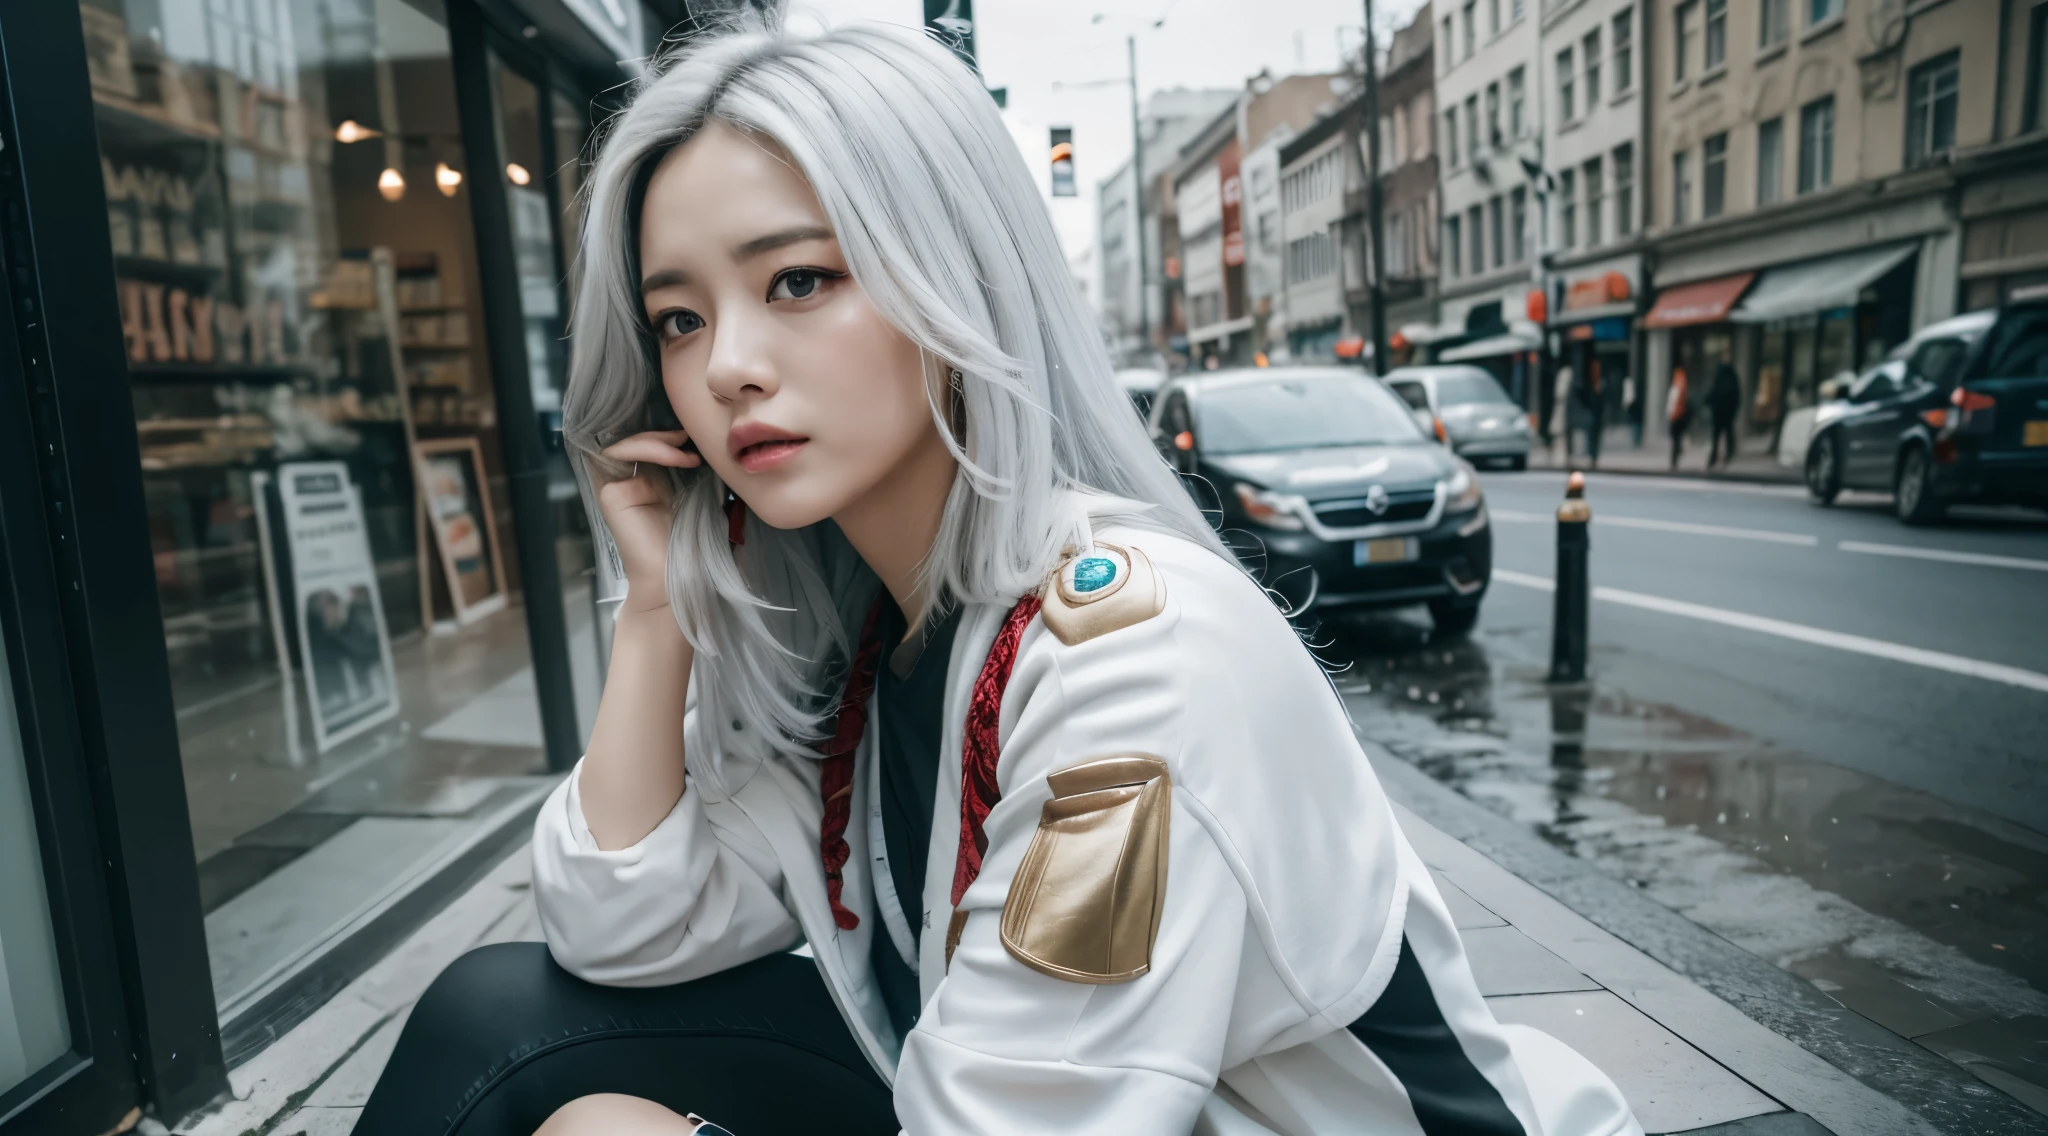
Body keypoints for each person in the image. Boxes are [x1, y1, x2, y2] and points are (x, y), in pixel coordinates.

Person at [357, 10, 1643, 1135]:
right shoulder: (872, 639)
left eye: (797, 279)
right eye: (680, 316)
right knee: (501, 1009)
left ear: (954, 275)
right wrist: (655, 610)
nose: (725, 364)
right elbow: (612, 927)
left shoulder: (1131, 660)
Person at [1707, 362, 1741, 470]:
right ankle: (1728, 455)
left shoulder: (1720, 379)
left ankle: (1713, 458)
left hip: (1718, 415)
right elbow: (1737, 399)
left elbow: (1713, 395)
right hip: (1727, 415)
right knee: (1728, 435)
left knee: (1716, 437)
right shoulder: (1732, 381)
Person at [1668, 364, 1692, 470]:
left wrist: (1672, 414)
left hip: (1677, 416)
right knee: (1676, 439)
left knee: (1675, 439)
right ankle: (1676, 457)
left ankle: (1675, 459)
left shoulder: (1678, 386)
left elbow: (1674, 403)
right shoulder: (1681, 386)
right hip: (1678, 416)